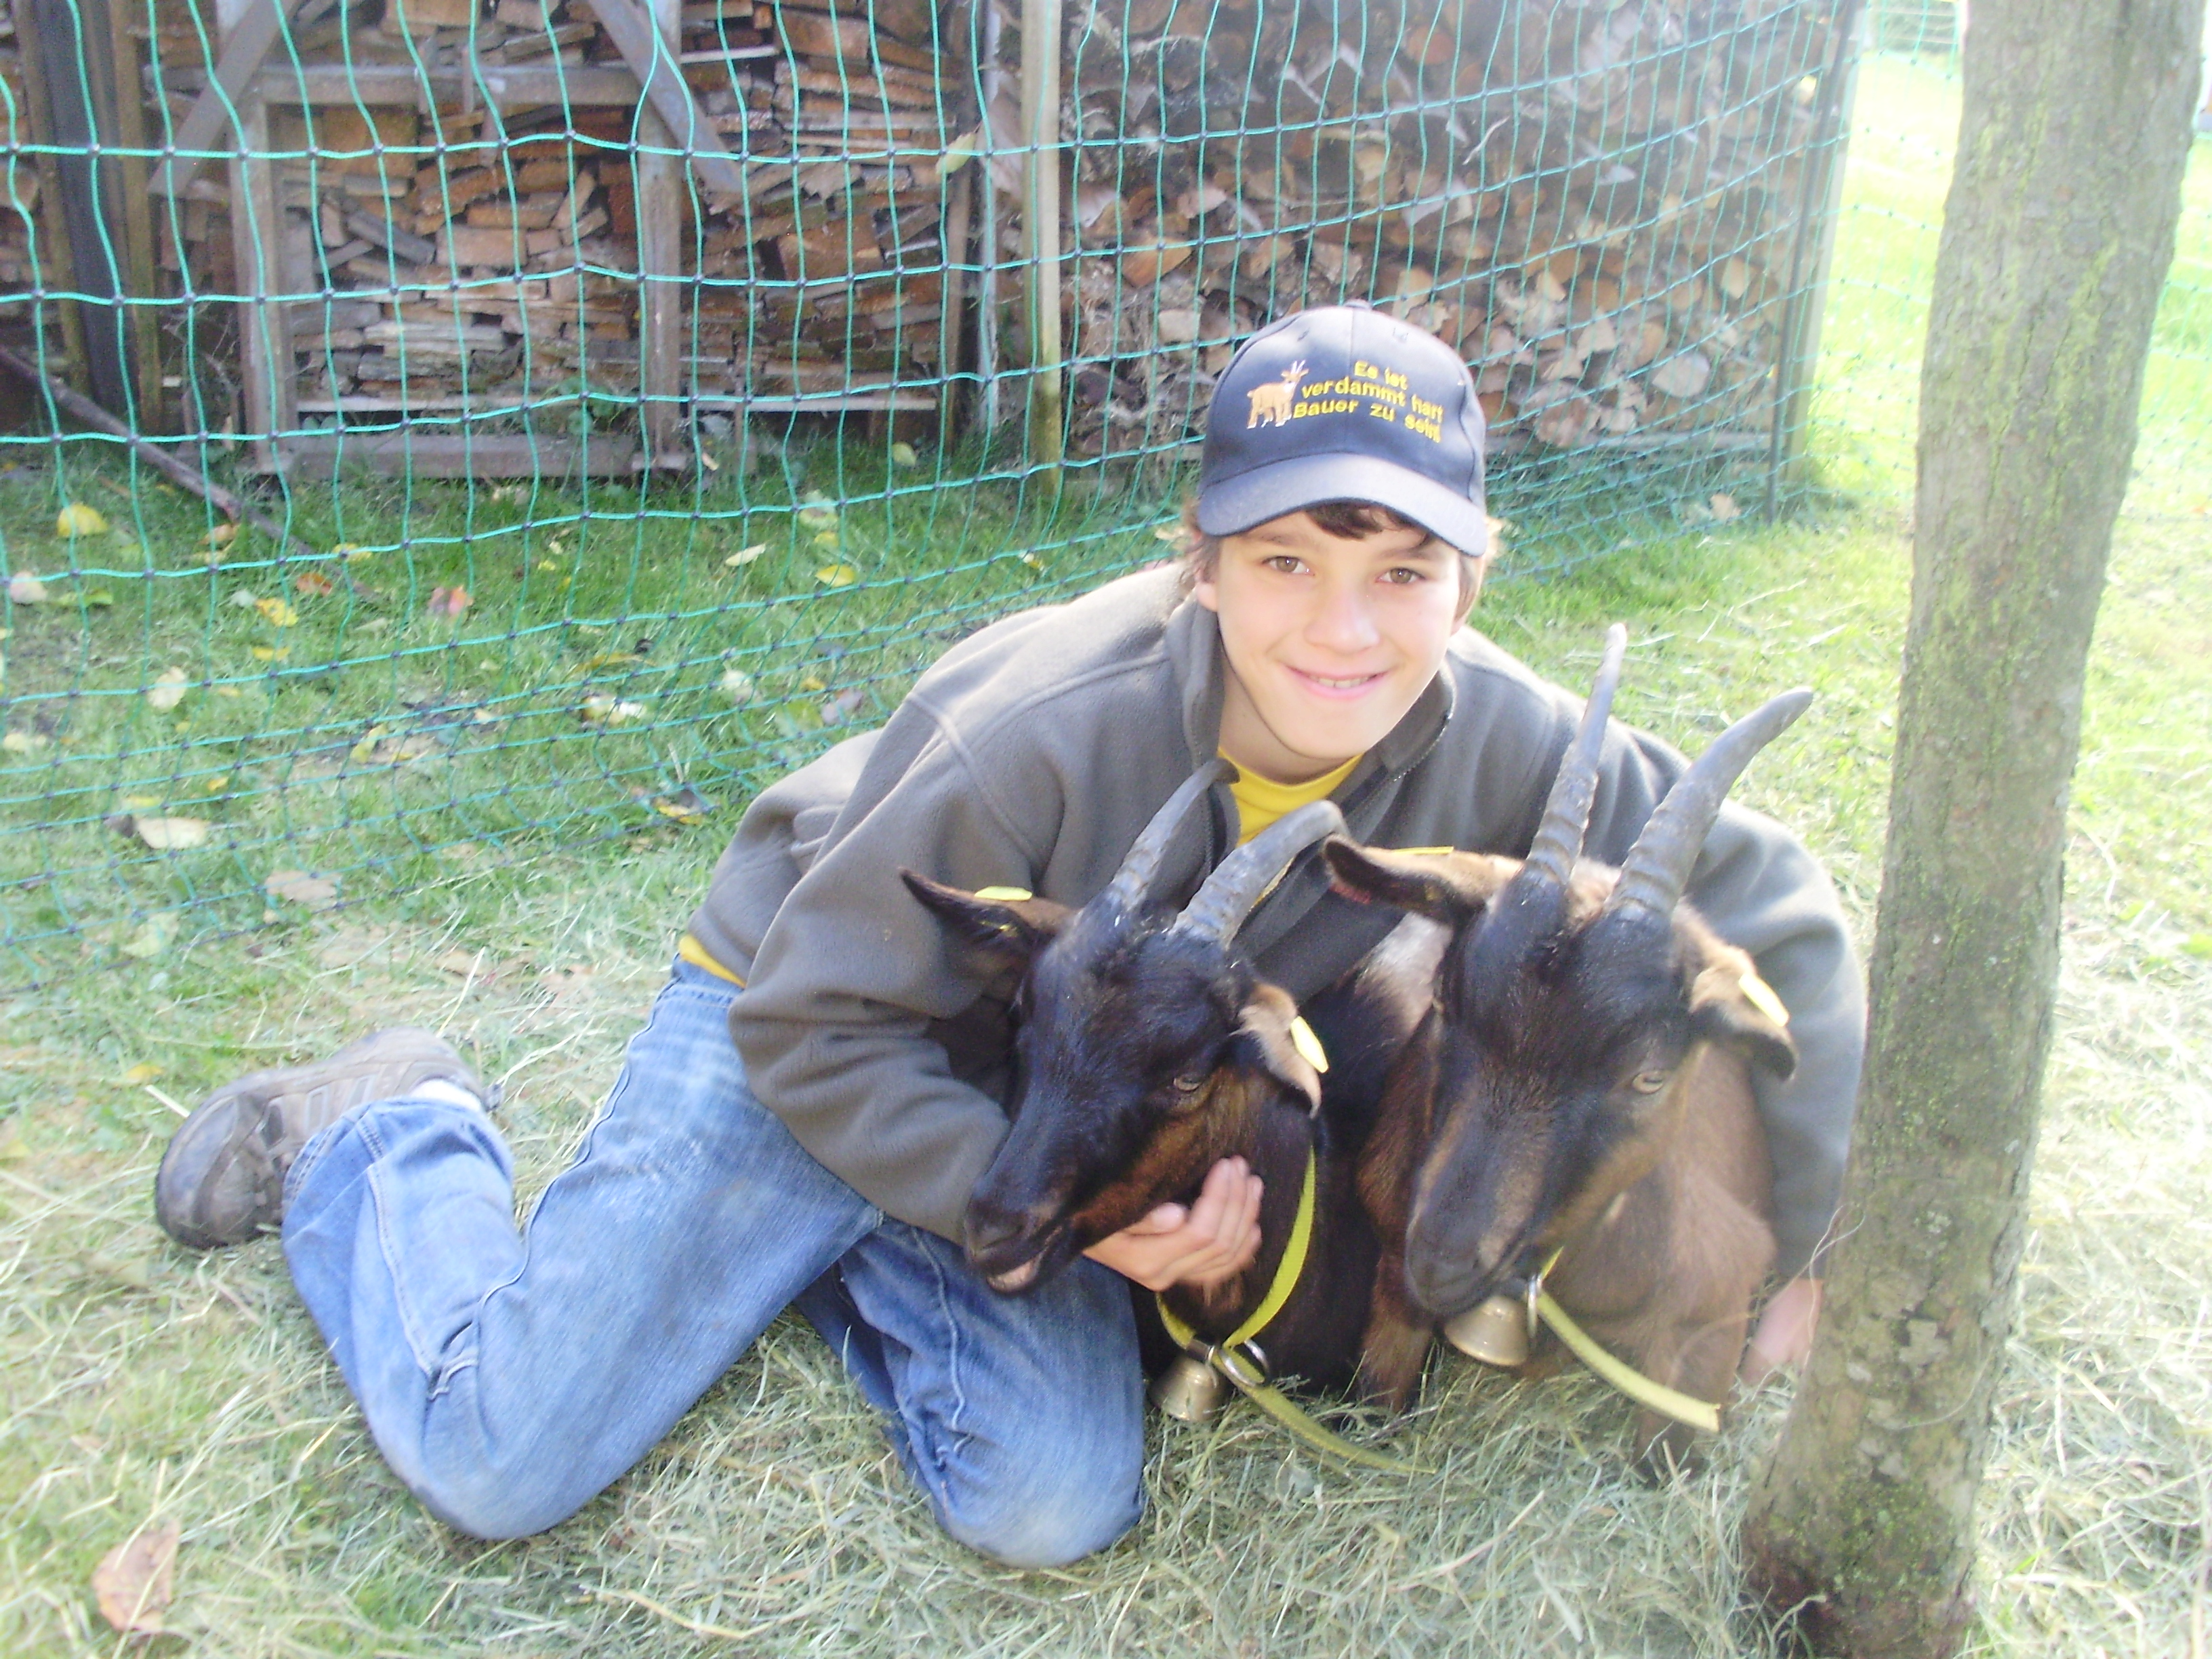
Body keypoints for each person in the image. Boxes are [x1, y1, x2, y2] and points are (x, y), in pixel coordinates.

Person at [153, 305, 1862, 1566]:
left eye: (1404, 574)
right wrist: (1050, 1198)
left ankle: (815, 1264)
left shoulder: (1505, 737)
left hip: (1057, 1120)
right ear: (1201, 563)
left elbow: (1775, 905)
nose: (1344, 629)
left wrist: (1802, 1251)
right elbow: (811, 1020)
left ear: (1470, 585)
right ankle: (382, 1132)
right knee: (495, 1460)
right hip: (830, 1029)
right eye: (1284, 562)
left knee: (1048, 1504)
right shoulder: (1039, 729)